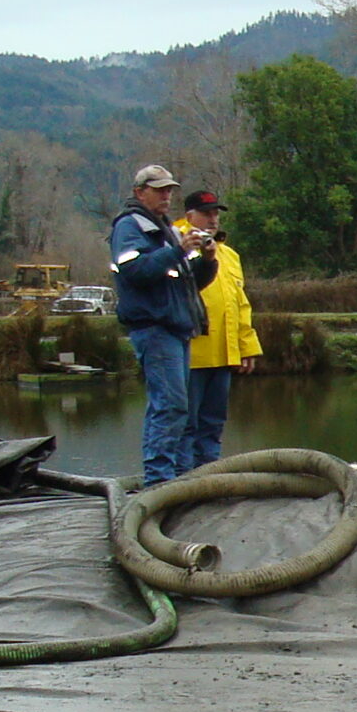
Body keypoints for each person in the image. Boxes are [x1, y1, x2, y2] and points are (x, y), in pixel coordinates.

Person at [108, 164, 217, 490]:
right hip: (154, 328)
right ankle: (159, 484)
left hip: (176, 328)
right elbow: (135, 272)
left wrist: (206, 260)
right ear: (140, 192)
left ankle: (179, 480)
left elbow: (188, 283)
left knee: (178, 410)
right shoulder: (130, 227)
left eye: (169, 190)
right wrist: (178, 251)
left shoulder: (165, 228)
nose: (167, 196)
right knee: (168, 407)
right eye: (159, 190)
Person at [171, 190, 260, 476]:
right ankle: (183, 482)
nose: (212, 220)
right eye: (206, 213)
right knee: (185, 424)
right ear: (189, 216)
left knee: (213, 423)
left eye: (215, 214)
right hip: (190, 352)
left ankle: (210, 478)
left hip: (223, 353)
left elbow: (240, 304)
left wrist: (246, 346)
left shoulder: (229, 255)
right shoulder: (174, 243)